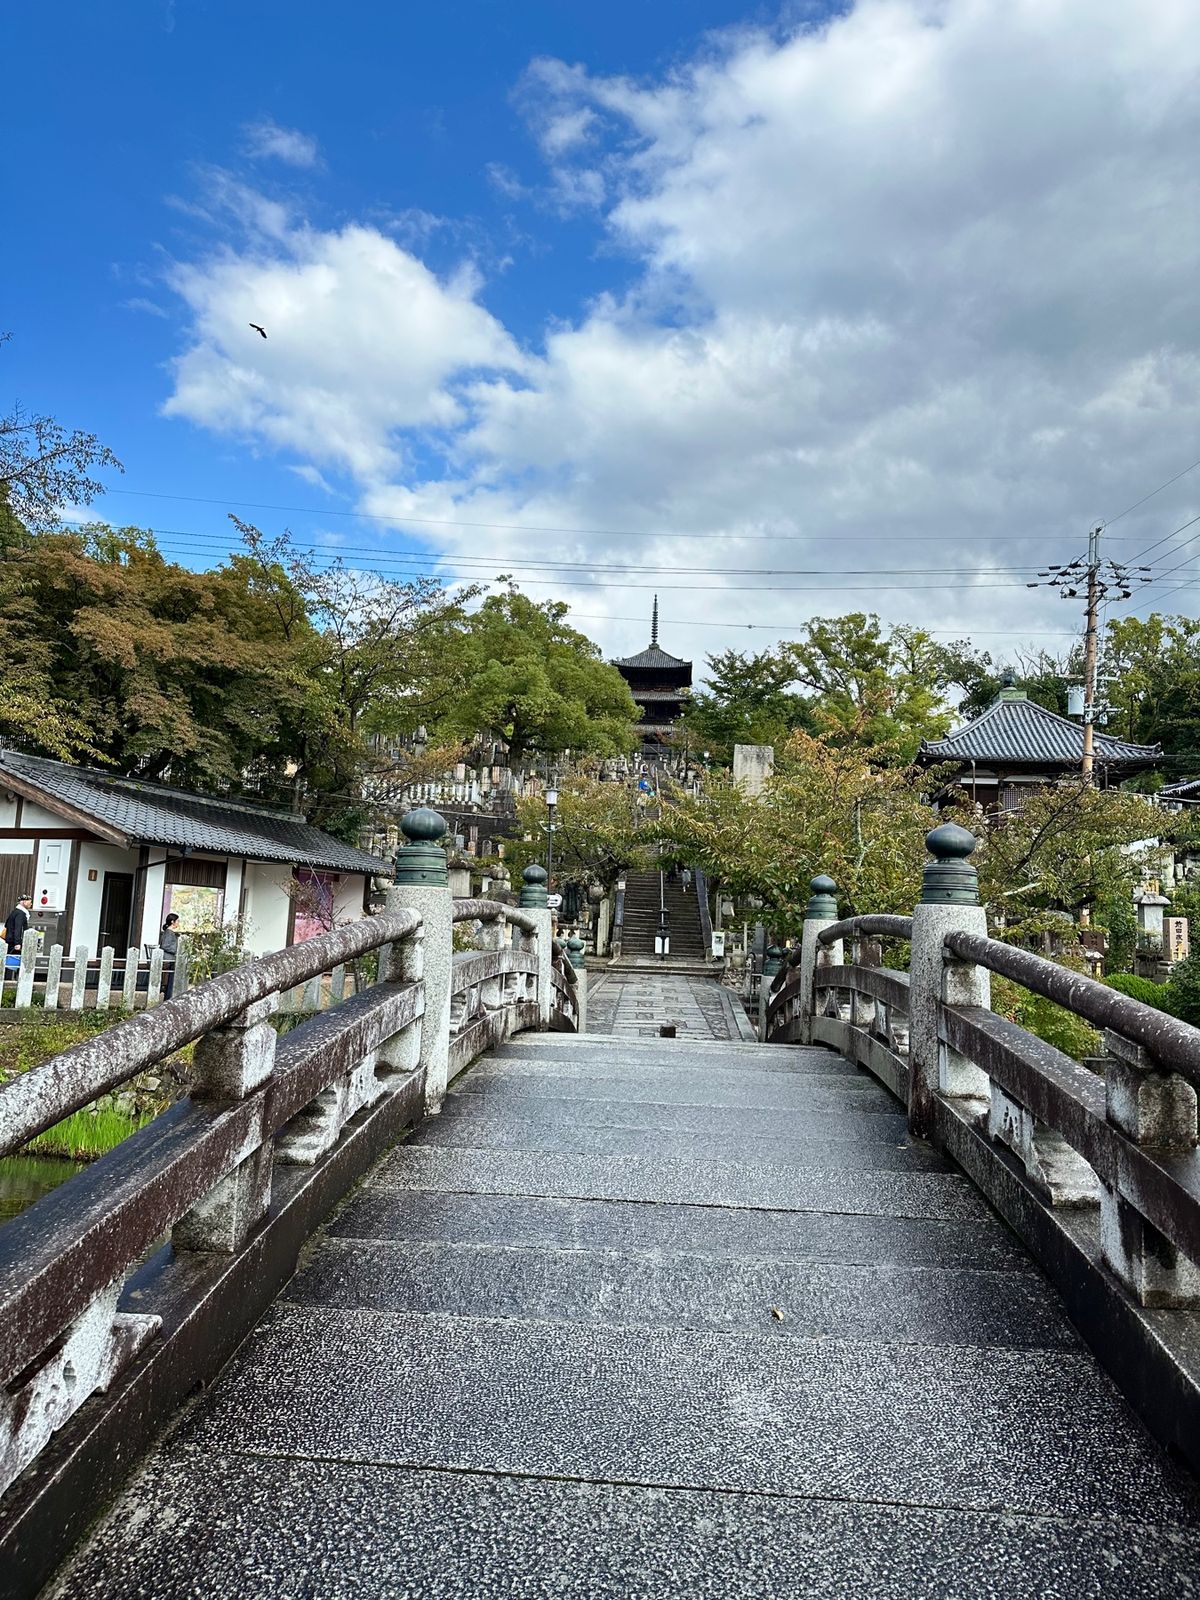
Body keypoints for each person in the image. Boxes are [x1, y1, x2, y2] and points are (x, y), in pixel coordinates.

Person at [160, 913, 181, 999]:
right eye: (177, 921)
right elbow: (165, 946)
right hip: (168, 960)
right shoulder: (169, 933)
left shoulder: (170, 933)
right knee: (170, 980)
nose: (178, 923)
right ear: (172, 922)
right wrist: (176, 950)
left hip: (170, 959)